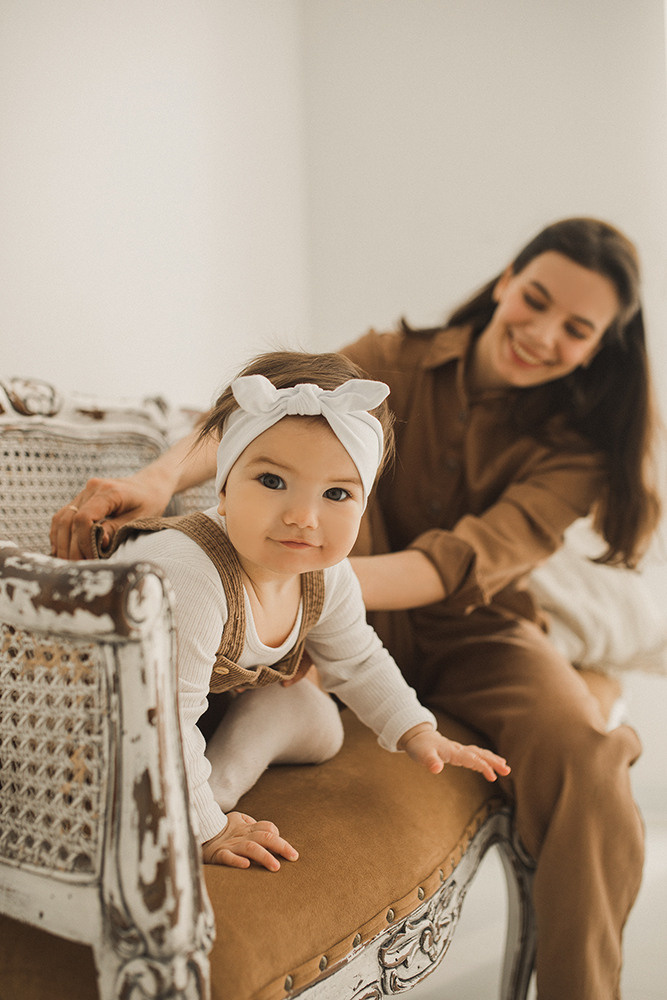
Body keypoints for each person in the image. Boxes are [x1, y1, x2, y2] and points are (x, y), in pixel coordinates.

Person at [51, 217, 662, 999]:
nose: (541, 334)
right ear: (506, 279)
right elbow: (268, 417)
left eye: (575, 329)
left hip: (469, 629)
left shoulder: (577, 447)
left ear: (600, 345)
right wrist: (164, 479)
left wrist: (298, 585)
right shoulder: (390, 361)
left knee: (586, 750)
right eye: (535, 300)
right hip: (319, 613)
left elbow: (448, 568)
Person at [99, 351, 509, 871]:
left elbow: (357, 659)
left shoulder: (324, 574)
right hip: (112, 718)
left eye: (337, 493)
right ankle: (198, 803)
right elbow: (161, 715)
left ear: (362, 507)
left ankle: (216, 776)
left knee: (320, 723)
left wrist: (416, 730)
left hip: (199, 705)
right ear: (223, 489)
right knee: (195, 733)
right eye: (272, 482)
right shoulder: (189, 575)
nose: (302, 517)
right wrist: (209, 830)